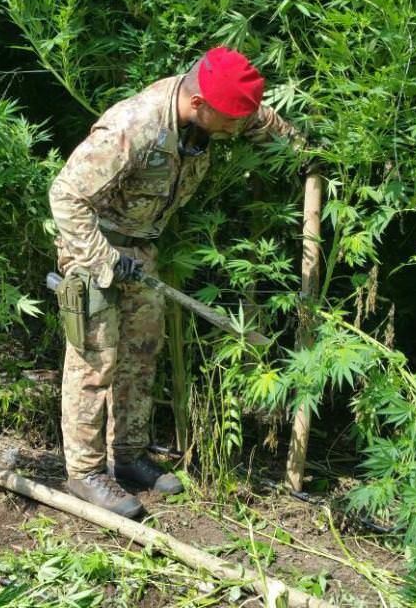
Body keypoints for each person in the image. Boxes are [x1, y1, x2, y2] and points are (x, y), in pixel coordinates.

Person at [49, 47, 304, 517]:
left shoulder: (214, 112)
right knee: (94, 361)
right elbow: (65, 196)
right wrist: (103, 259)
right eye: (229, 121)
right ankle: (84, 473)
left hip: (142, 249)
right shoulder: (134, 127)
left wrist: (307, 153)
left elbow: (258, 119)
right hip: (93, 247)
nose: (235, 131)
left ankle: (126, 456)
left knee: (141, 355)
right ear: (201, 104)